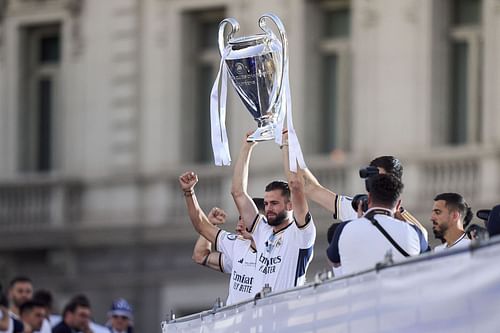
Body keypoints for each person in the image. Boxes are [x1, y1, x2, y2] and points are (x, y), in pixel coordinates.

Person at [230, 132, 316, 292]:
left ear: (290, 206)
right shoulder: (262, 230)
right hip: (258, 314)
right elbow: (238, 193)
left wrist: (285, 145)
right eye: (266, 203)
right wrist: (247, 147)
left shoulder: (301, 233)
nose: (268, 208)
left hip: (286, 313)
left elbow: (296, 185)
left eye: (275, 203)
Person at [179, 172, 261, 305]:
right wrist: (189, 192)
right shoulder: (238, 245)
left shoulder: (276, 249)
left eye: (245, 219)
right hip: (237, 324)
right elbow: (200, 255)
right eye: (239, 218)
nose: (239, 224)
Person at [301, 155, 428, 240]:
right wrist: (289, 146)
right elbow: (310, 188)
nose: (378, 185)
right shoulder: (357, 207)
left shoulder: (412, 230)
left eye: (383, 181)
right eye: (375, 180)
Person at [335, 174, 422, 275]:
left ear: (369, 199)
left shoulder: (345, 229)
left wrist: (358, 222)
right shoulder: (413, 232)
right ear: (398, 204)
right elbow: (426, 251)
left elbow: (334, 261)